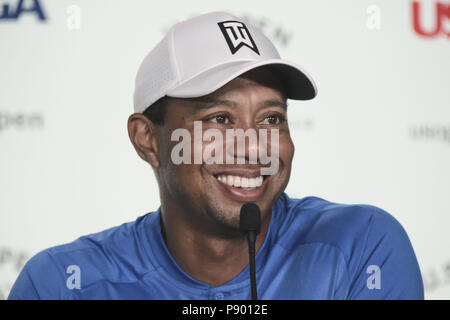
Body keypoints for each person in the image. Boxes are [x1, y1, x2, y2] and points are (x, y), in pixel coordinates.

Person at [8, 11, 423, 300]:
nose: (254, 146)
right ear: (148, 140)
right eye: (221, 119)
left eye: (272, 118)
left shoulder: (361, 245)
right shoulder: (61, 284)